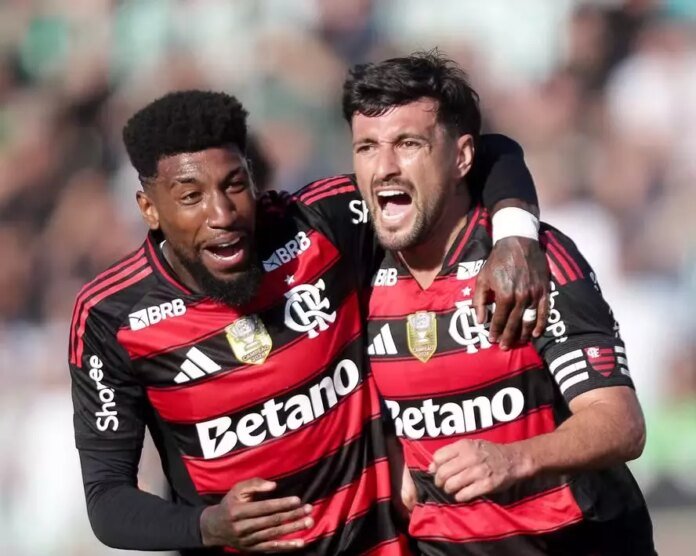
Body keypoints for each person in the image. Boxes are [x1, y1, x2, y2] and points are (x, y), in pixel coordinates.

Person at [68, 90, 546, 555]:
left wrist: (515, 236)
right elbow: (108, 500)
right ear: (149, 208)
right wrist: (207, 526)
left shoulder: (321, 225)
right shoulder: (112, 317)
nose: (222, 214)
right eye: (191, 196)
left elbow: (486, 153)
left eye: (234, 184)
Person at [344, 52, 656, 555]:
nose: (384, 168)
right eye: (367, 147)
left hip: (575, 543)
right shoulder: (355, 263)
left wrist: (513, 459)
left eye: (409, 144)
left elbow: (621, 423)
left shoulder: (529, 262)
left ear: (462, 157)